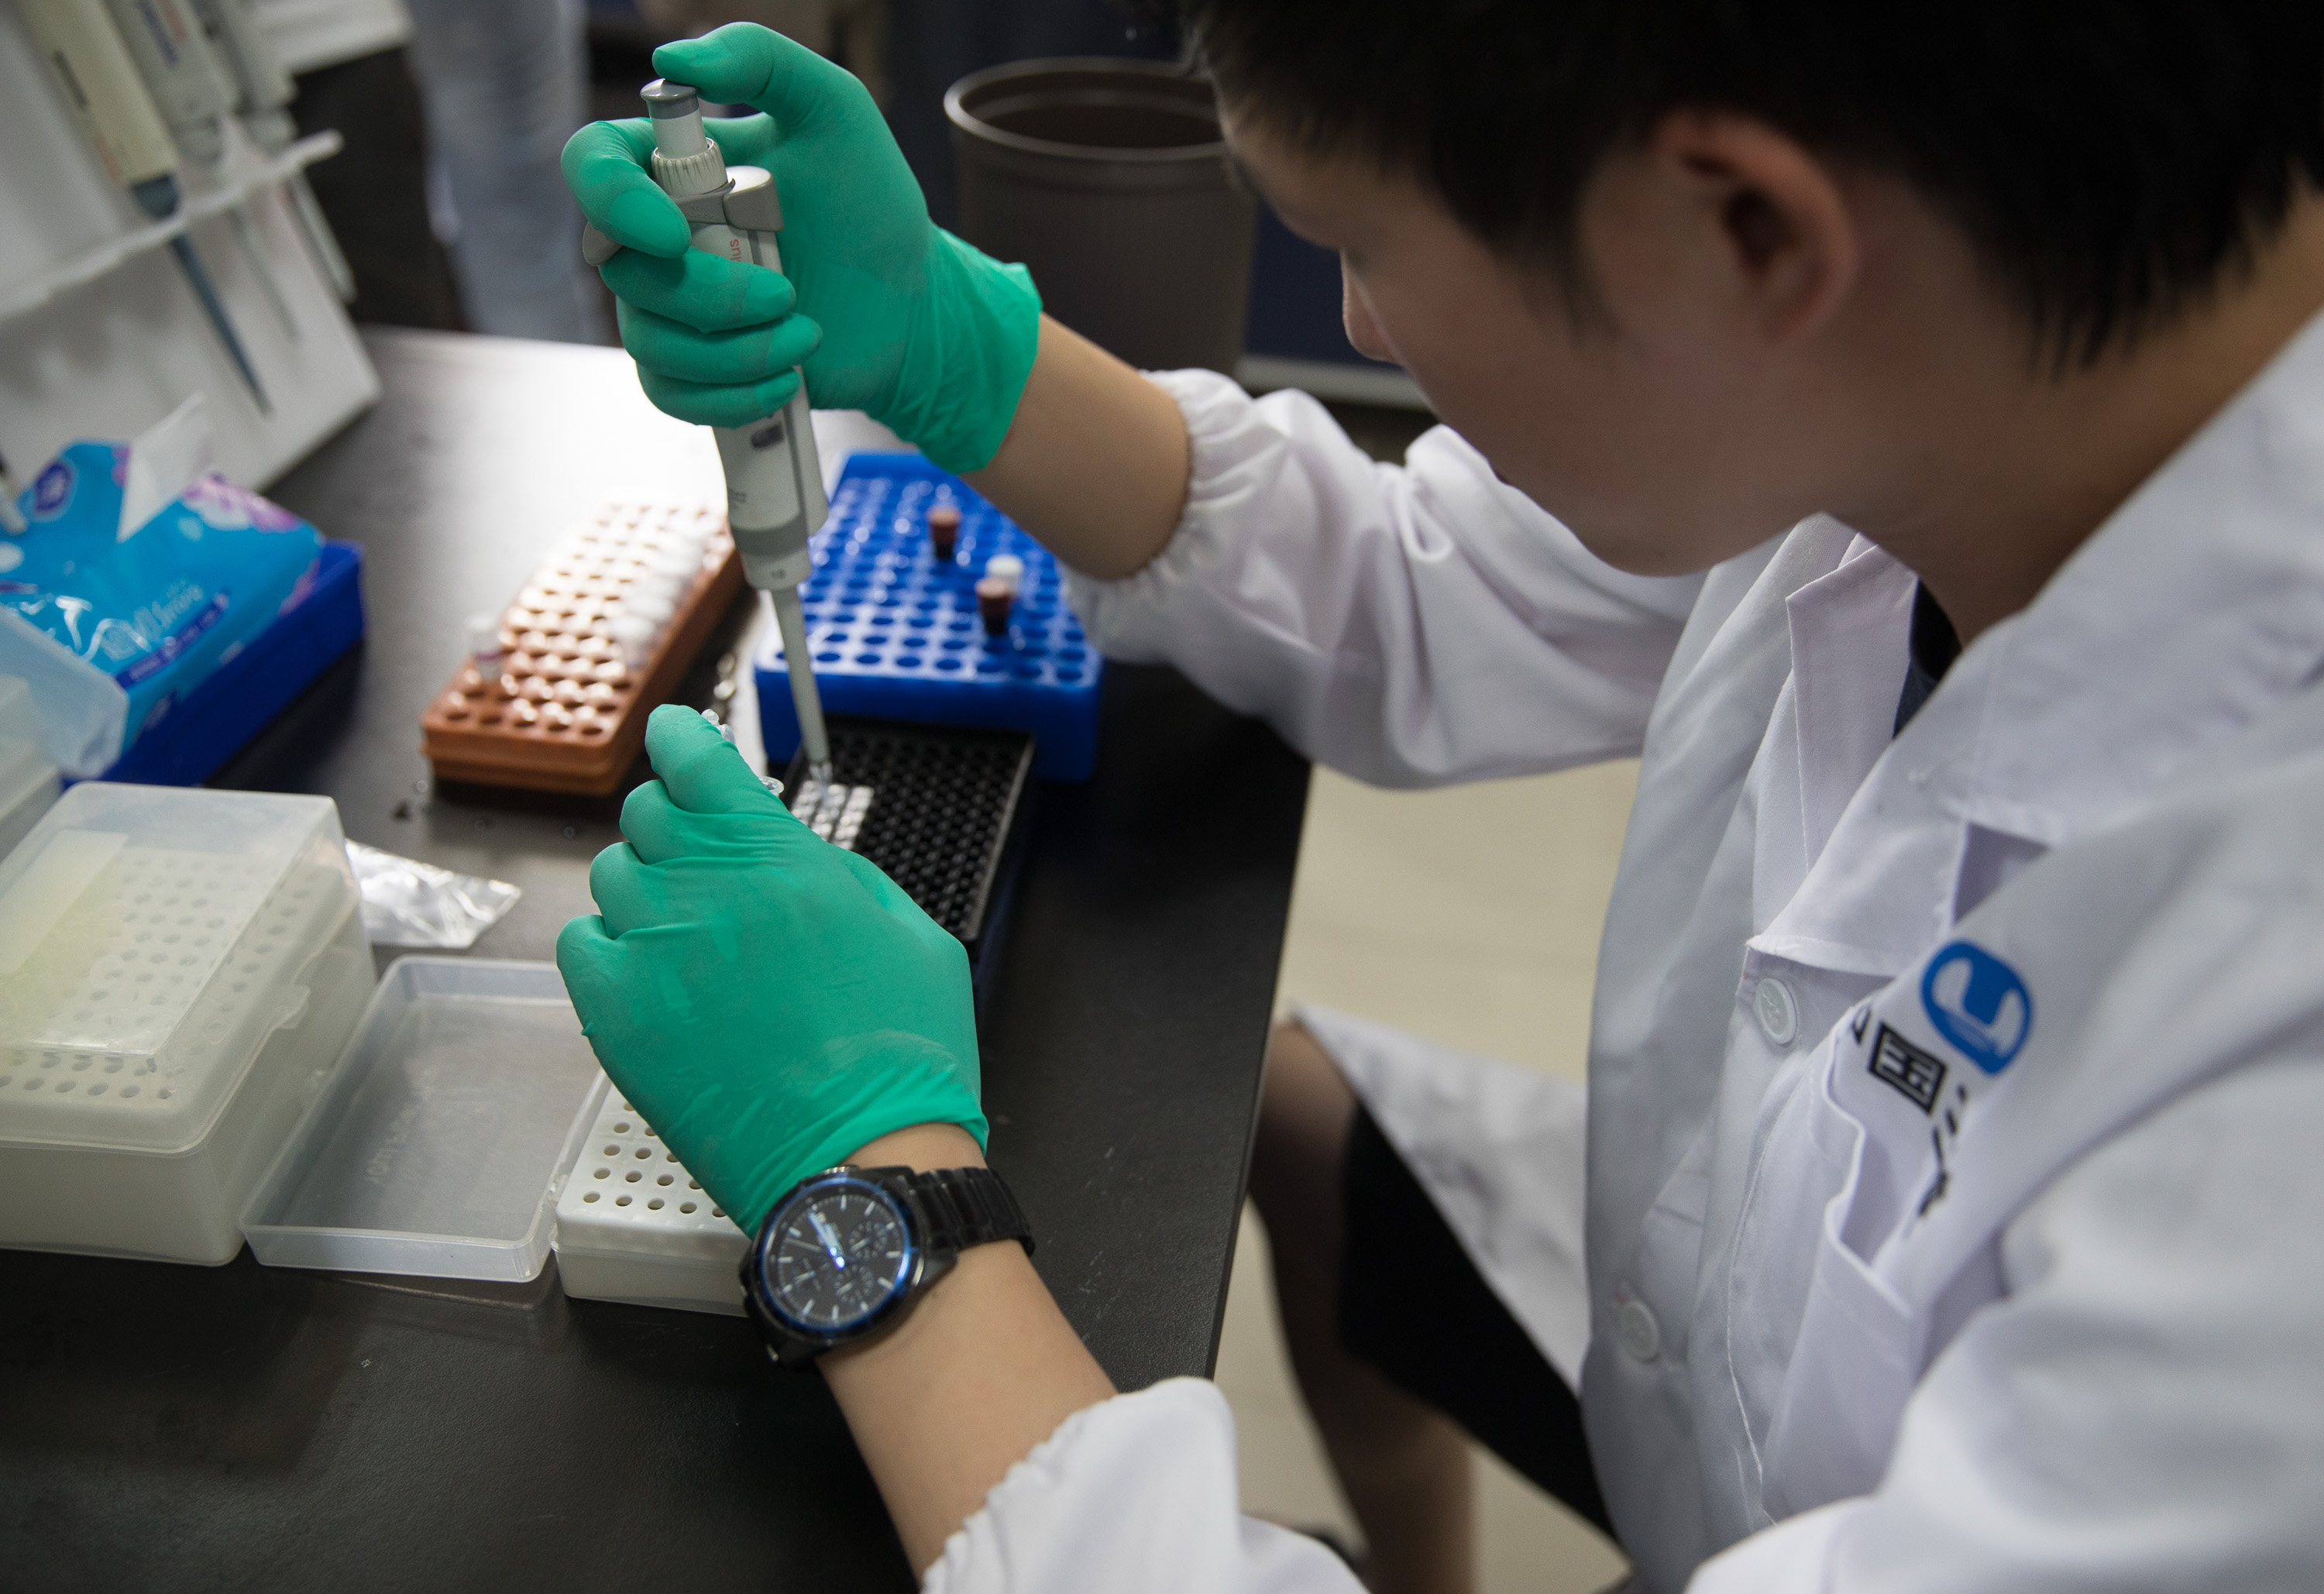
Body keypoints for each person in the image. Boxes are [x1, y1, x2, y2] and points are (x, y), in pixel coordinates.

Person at [556, 5, 2324, 1591]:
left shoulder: (2267, 1168)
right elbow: (1422, 583)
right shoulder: (1977, 375)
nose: (1358, 322)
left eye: (1364, 242)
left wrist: (879, 1198)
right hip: (1719, 1375)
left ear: (1748, 231)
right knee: (1298, 1116)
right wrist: (954, 344)